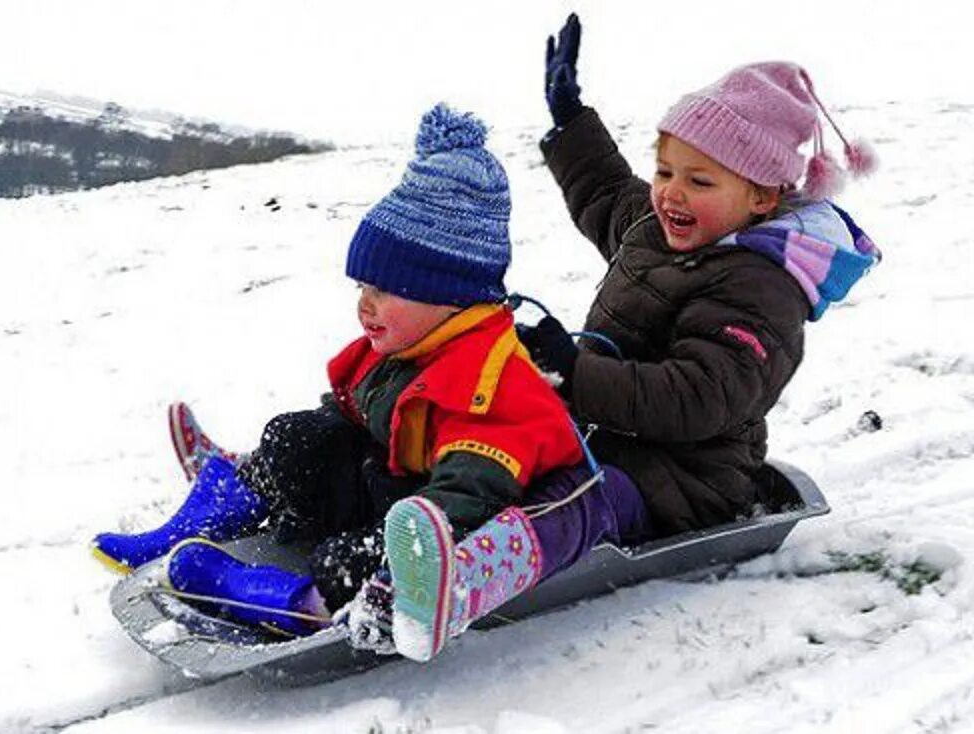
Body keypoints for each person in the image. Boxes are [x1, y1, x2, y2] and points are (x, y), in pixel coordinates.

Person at [374, 11, 885, 660]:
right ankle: (424, 527)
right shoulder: (659, 225)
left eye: (700, 180)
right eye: (666, 169)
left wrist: (577, 374)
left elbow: (698, 397)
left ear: (761, 198)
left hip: (683, 475)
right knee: (496, 432)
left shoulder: (763, 290)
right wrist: (570, 120)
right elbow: (605, 191)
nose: (670, 192)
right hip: (601, 432)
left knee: (580, 501)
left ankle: (462, 585)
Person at [91, 103, 589, 640]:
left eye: (383, 291)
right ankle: (209, 515)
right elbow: (345, 418)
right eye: (362, 289)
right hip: (397, 484)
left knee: (359, 558)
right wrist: (292, 469)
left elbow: (465, 504)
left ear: (449, 293)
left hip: (445, 516)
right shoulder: (404, 346)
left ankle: (300, 604)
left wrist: (375, 545)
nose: (365, 306)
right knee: (298, 435)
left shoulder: (494, 390)